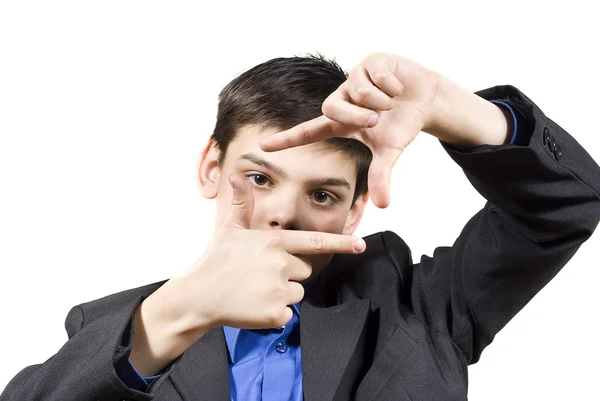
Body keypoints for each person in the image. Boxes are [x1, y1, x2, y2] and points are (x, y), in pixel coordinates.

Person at [2, 52, 599, 401]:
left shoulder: (421, 309)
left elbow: (568, 203)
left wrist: (449, 105)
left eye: (321, 193)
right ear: (212, 167)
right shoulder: (118, 331)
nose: (284, 214)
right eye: (259, 178)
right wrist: (172, 315)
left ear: (354, 210)